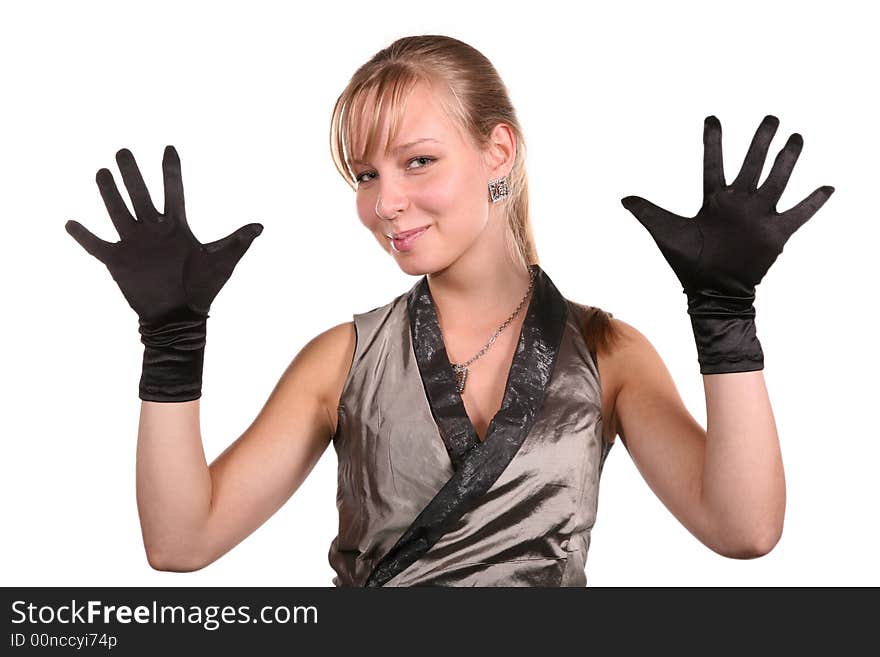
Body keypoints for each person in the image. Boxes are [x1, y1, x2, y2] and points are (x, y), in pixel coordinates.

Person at [64, 34, 834, 586]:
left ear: (498, 153)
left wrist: (726, 318)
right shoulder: (344, 358)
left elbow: (744, 529)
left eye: (418, 161)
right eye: (366, 174)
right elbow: (180, 540)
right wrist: (170, 343)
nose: (384, 203)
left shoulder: (608, 352)